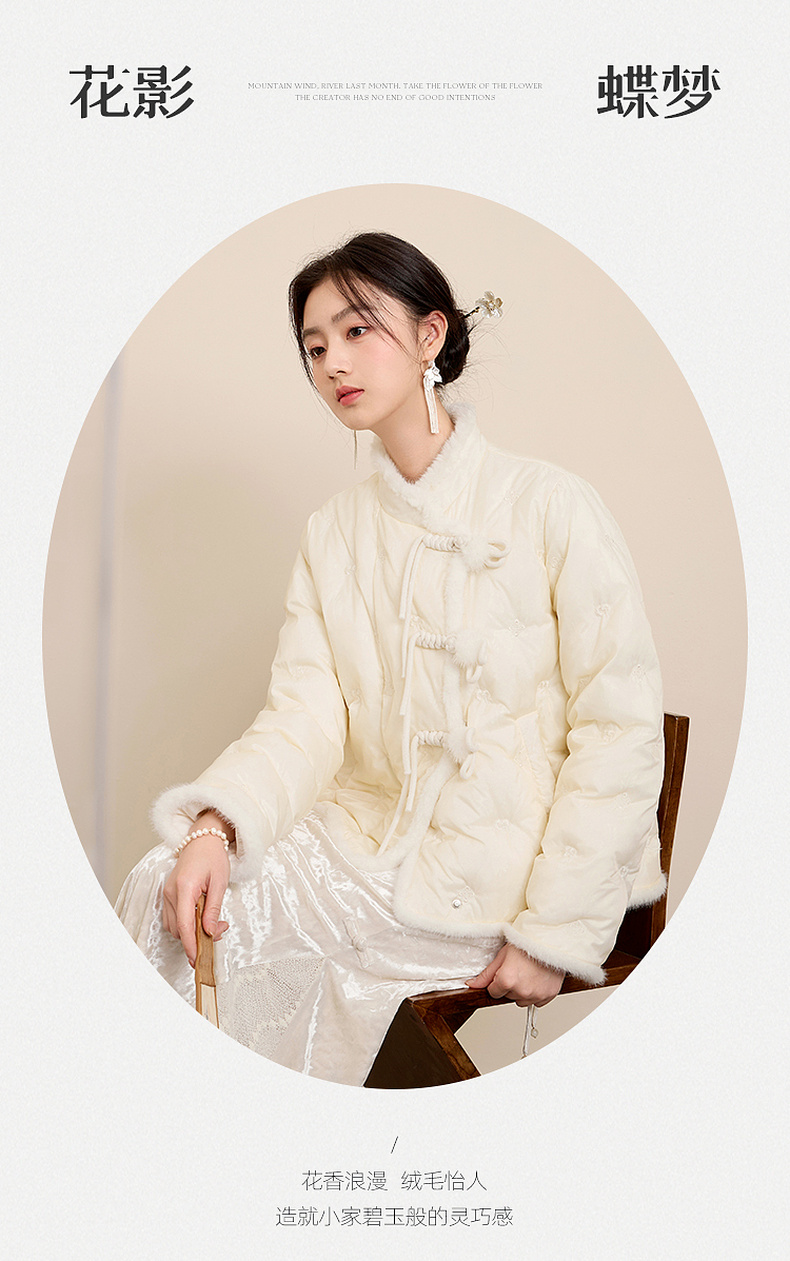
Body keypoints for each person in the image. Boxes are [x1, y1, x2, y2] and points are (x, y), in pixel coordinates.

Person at [116, 231, 665, 1085]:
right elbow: (304, 715)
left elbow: (619, 730)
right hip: (360, 841)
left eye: (357, 329)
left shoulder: (552, 505)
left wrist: (554, 930)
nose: (333, 361)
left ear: (429, 335)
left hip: (504, 872)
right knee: (169, 887)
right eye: (314, 347)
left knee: (303, 977)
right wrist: (216, 826)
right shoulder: (334, 532)